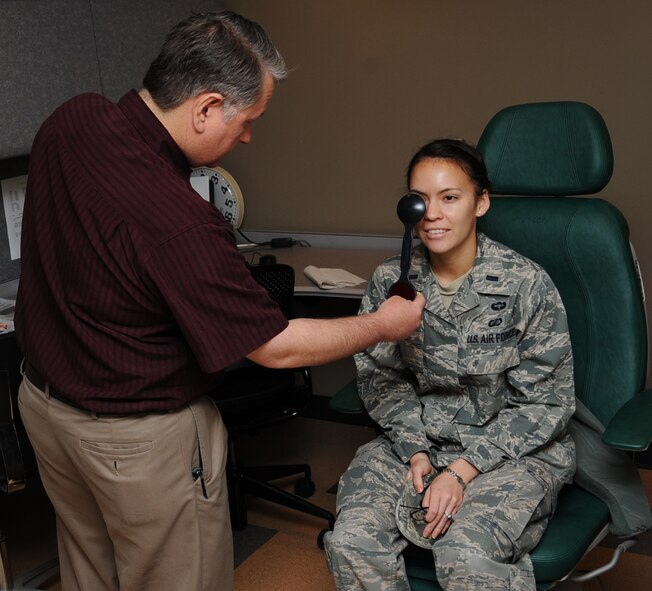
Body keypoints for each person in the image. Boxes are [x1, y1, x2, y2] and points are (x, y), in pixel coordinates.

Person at [14, 11, 425, 591]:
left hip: (46, 410)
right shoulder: (180, 221)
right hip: (135, 440)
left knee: (90, 572)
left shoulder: (72, 118)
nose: (250, 136)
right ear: (206, 107)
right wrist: (383, 323)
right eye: (249, 119)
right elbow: (276, 347)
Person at [324, 138, 576, 590]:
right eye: (421, 199)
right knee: (350, 542)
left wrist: (461, 471)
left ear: (481, 203)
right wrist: (416, 450)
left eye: (450, 197)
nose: (433, 214)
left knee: (466, 555)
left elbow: (545, 404)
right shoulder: (391, 281)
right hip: (416, 443)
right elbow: (381, 378)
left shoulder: (526, 283)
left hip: (510, 453)